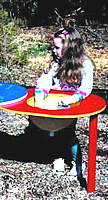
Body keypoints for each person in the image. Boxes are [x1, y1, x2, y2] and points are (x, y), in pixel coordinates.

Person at [33, 27, 94, 188]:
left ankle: (76, 164)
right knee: (53, 130)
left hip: (72, 104)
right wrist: (40, 97)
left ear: (70, 47)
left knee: (68, 133)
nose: (54, 51)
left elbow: (86, 88)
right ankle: (58, 157)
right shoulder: (56, 63)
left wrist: (73, 99)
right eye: (54, 47)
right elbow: (44, 82)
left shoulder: (85, 64)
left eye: (58, 47)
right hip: (56, 102)